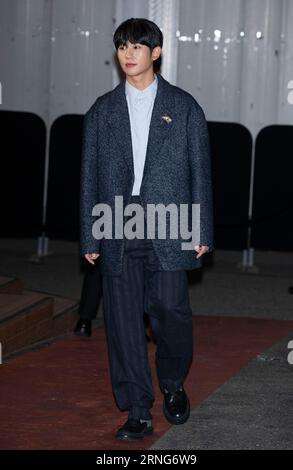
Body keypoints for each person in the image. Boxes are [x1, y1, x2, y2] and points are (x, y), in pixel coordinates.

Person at [80, 18, 213, 441]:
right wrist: (90, 233)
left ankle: (172, 384)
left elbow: (200, 173)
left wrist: (201, 228)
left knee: (172, 312)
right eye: (122, 46)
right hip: (117, 219)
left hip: (171, 221)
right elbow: (88, 177)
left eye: (138, 46)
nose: (129, 53)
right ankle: (137, 408)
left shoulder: (185, 105)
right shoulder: (103, 110)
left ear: (155, 53)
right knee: (121, 321)